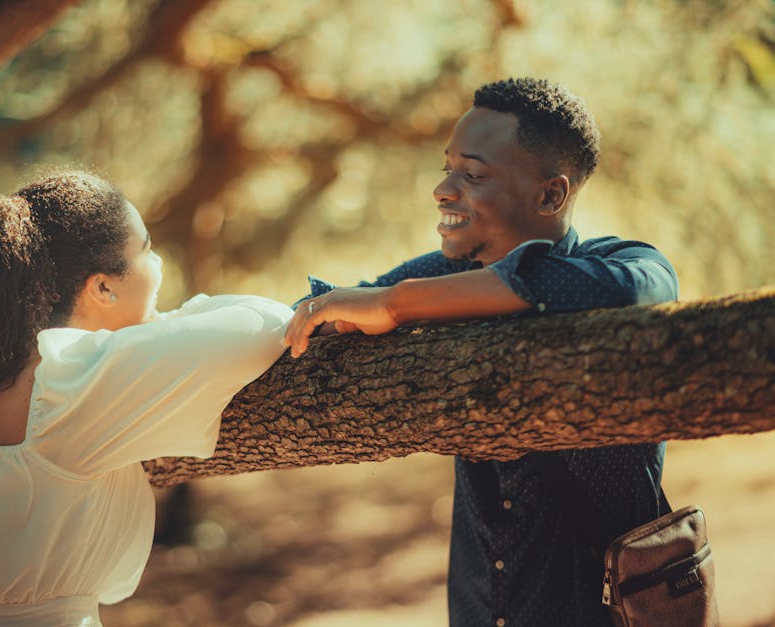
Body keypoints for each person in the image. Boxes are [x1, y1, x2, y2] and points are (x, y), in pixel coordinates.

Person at [284, 77, 679, 626]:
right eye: (447, 168)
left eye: (472, 174)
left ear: (550, 195)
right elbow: (337, 305)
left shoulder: (620, 262)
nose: (443, 189)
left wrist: (397, 306)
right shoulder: (448, 272)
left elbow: (639, 290)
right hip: (475, 609)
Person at [0, 171, 292, 626]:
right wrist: (164, 323)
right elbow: (264, 323)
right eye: (146, 249)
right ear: (103, 287)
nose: (159, 264)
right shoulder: (74, 382)